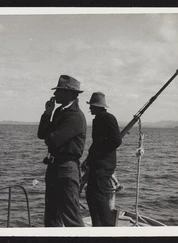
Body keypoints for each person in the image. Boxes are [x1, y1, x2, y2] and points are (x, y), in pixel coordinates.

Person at [37, 75, 86, 227]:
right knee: (52, 216)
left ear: (70, 94)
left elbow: (52, 140)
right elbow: (41, 134)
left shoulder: (75, 116)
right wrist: (47, 113)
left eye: (59, 91)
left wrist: (49, 132)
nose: (55, 94)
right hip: (55, 168)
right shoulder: (59, 112)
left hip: (66, 170)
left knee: (71, 218)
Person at [82, 92, 122, 226]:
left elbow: (116, 140)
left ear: (97, 106)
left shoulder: (108, 118)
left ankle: (108, 227)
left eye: (92, 106)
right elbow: (96, 143)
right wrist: (88, 159)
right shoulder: (99, 119)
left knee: (98, 196)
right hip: (97, 164)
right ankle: (97, 225)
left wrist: (99, 153)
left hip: (103, 165)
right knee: (91, 195)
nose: (90, 109)